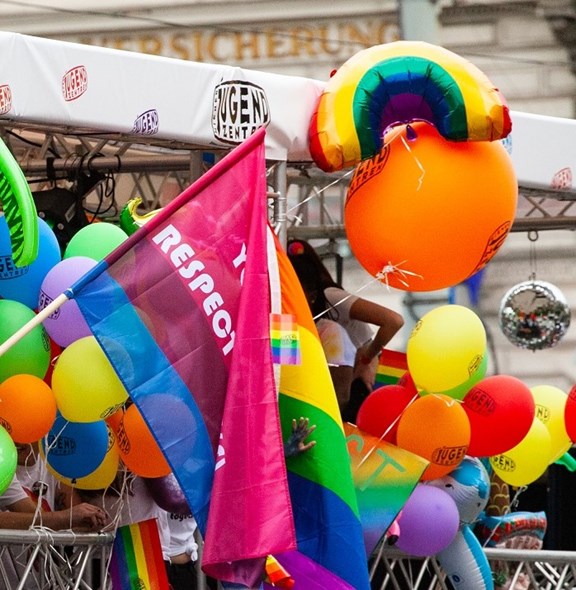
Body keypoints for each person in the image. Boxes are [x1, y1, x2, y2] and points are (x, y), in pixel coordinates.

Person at [287, 239, 404, 421]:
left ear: (310, 294)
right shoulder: (289, 323)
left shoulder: (330, 300)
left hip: (356, 372)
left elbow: (393, 321)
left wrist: (366, 359)